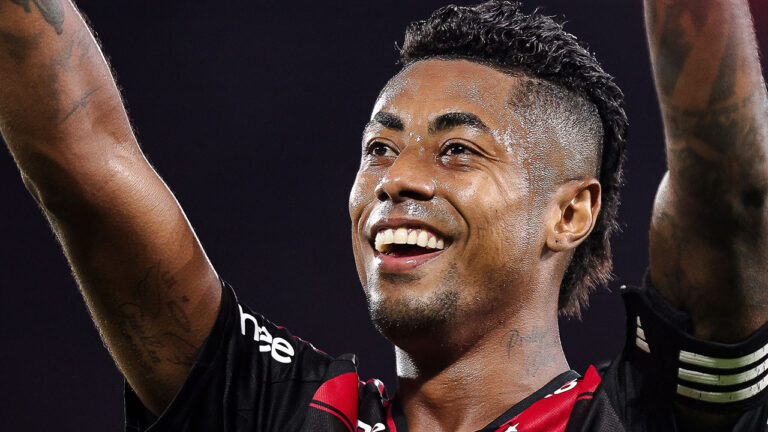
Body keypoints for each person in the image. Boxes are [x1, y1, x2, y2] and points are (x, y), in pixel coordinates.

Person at [2, 0, 767, 430]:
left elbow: (732, 194)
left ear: (570, 212)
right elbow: (83, 163)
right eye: (377, 148)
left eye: (458, 150)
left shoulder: (652, 422)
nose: (396, 180)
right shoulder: (275, 414)